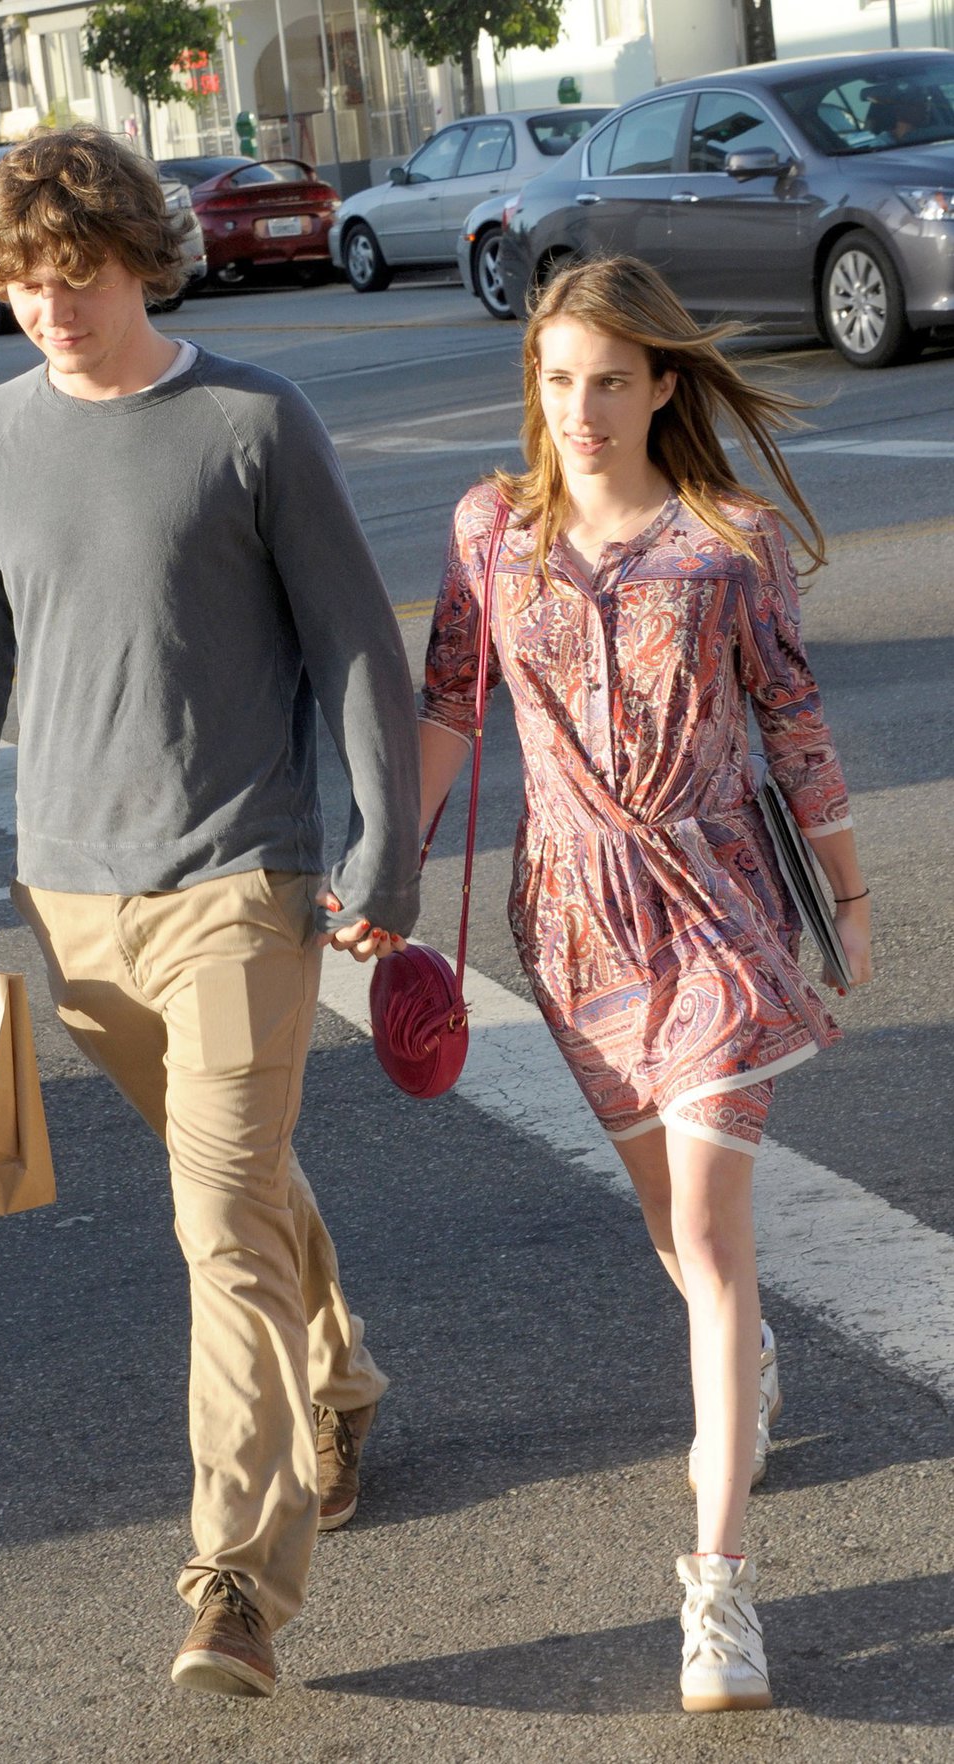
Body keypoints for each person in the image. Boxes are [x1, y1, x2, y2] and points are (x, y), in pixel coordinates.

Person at [0, 125, 420, 1701]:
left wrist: (378, 856)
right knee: (234, 1188)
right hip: (73, 901)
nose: (55, 308)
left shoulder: (252, 422)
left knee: (209, 1221)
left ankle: (235, 1588)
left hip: (241, 885)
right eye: (26, 284)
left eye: (81, 278)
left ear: (140, 262)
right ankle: (336, 1371)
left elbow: (353, 653)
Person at [419, 256, 872, 1713]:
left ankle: (717, 1598)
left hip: (719, 907)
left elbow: (792, 722)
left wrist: (848, 894)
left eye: (610, 379)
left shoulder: (727, 540)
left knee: (705, 1221)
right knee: (672, 1241)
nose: (581, 408)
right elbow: (449, 705)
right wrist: (387, 872)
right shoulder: (489, 531)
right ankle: (740, 1366)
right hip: (573, 927)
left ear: (664, 384)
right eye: (557, 380)